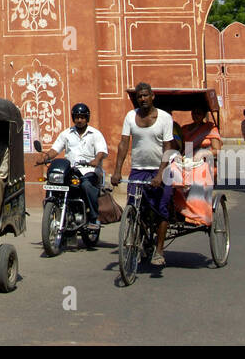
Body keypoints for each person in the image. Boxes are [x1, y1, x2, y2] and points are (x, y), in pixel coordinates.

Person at [111, 83, 177, 266]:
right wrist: (117, 172)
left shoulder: (165, 118)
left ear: (152, 96)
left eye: (146, 95)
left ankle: (159, 249)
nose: (143, 99)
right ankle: (141, 240)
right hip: (138, 170)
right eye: (139, 96)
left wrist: (160, 174)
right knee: (135, 207)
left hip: (161, 170)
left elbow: (168, 147)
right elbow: (124, 143)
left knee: (161, 210)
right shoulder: (131, 117)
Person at [42, 103, 108, 231]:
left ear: (87, 118)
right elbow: (55, 150)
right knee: (53, 183)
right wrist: (44, 157)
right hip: (70, 170)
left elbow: (101, 151)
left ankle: (94, 218)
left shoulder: (95, 134)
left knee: (86, 186)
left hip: (89, 171)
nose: (79, 120)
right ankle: (56, 212)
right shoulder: (66, 134)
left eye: (82, 117)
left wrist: (96, 160)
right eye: (77, 117)